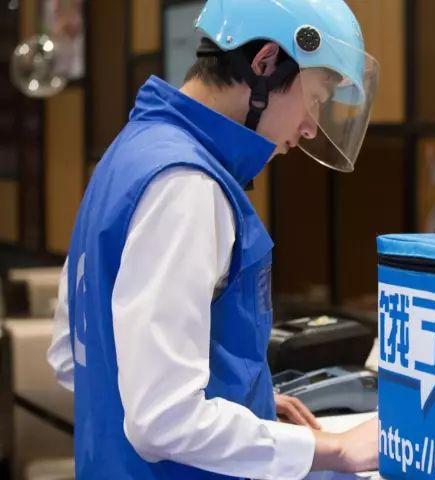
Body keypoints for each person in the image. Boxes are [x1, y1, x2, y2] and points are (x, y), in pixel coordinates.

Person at [46, 0, 380, 478]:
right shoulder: (188, 185)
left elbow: (71, 355)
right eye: (316, 98)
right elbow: (163, 421)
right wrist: (335, 449)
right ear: (266, 62)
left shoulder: (133, 151)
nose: (310, 127)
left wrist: (238, 406)